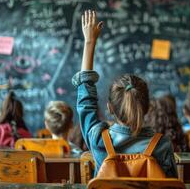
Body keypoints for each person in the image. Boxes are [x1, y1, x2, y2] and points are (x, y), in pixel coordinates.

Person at [72, 10, 177, 177]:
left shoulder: (99, 140)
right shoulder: (161, 145)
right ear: (148, 107)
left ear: (110, 108)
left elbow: (86, 103)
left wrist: (89, 42)